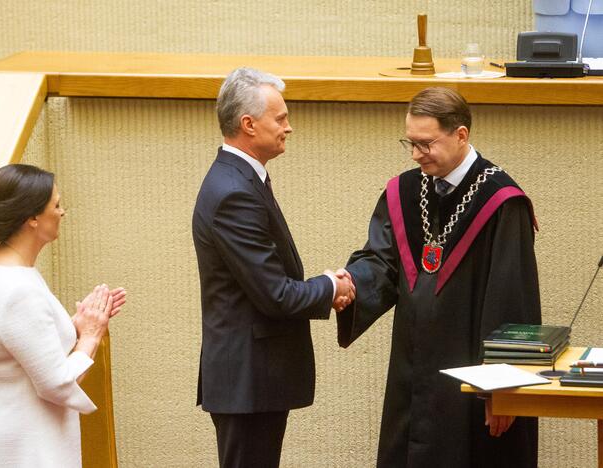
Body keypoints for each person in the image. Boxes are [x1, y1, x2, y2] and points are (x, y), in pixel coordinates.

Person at [338, 87, 541, 467]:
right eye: (410, 143)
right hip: (412, 370)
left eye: (425, 144)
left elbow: (512, 303)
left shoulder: (501, 201)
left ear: (460, 135)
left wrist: (502, 390)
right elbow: (382, 261)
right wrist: (349, 283)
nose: (416, 155)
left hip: (471, 379)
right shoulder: (405, 190)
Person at [192, 67, 355, 468]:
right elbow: (275, 294)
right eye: (280, 118)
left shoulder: (242, 180)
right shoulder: (234, 192)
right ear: (248, 124)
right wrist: (330, 287)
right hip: (247, 380)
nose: (289, 127)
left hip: (252, 378)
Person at [0, 164, 126, 468]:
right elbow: (56, 383)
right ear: (32, 218)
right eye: (56, 205)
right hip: (31, 449)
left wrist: (76, 326)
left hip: (18, 437)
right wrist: (91, 336)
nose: (62, 212)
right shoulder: (18, 290)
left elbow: (24, 345)